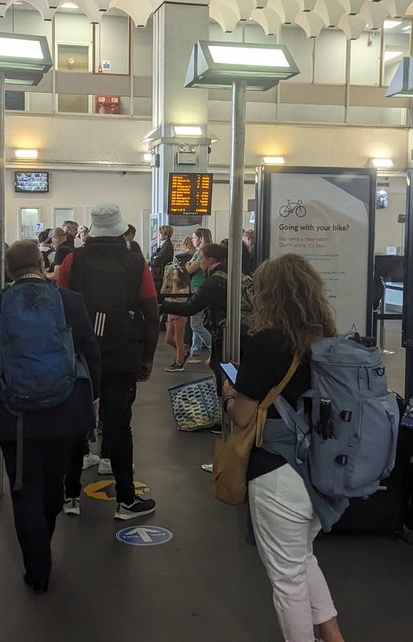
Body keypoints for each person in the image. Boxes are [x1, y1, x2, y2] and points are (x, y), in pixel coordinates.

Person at [220, 254, 344, 642]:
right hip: (321, 469)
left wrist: (227, 394)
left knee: (286, 579)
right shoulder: (327, 341)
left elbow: (244, 415)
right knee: (302, 559)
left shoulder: (266, 342)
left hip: (278, 471)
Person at [0, 242, 101, 594]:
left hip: (14, 412)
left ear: (8, 271)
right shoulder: (71, 301)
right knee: (53, 486)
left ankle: (38, 570)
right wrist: (94, 398)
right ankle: (44, 535)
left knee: (24, 489)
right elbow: (90, 351)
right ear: (42, 265)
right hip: (66, 408)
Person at [56, 203, 159, 520]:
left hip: (80, 355)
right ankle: (126, 500)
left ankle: (70, 495)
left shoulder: (73, 259)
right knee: (119, 425)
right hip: (121, 353)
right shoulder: (135, 261)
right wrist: (147, 358)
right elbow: (152, 313)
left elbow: (59, 306)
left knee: (75, 422)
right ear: (120, 228)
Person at [161, 243, 229, 386]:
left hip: (224, 331)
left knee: (223, 371)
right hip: (225, 330)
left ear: (211, 260)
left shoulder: (213, 281)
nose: (199, 262)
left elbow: (189, 307)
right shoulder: (225, 276)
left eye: (201, 258)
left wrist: (162, 306)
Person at [183, 228, 214, 364]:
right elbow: (187, 266)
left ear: (201, 238)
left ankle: (214, 348)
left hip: (199, 287)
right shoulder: (198, 252)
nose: (192, 240)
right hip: (196, 287)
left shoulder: (202, 253)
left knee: (195, 324)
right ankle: (195, 352)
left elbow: (189, 269)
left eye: (194, 237)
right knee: (198, 322)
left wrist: (188, 266)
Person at [160, 259, 191, 372]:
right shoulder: (173, 285)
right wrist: (166, 279)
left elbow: (174, 295)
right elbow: (163, 293)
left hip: (180, 316)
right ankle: (183, 353)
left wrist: (173, 283)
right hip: (171, 316)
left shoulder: (184, 288)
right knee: (169, 339)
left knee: (178, 339)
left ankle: (179, 362)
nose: (173, 276)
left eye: (175, 274)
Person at [149, 224, 174, 293]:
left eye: (160, 234)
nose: (158, 236)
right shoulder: (164, 244)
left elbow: (156, 261)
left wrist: (151, 261)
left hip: (160, 275)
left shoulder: (167, 246)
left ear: (166, 236)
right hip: (159, 273)